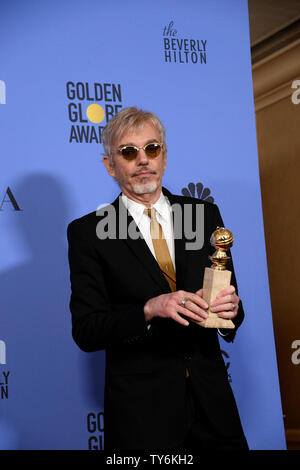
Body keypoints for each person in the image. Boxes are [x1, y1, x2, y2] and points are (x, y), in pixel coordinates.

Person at [67, 106, 248, 450]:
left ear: (164, 156)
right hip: (141, 414)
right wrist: (149, 309)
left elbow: (232, 315)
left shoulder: (203, 214)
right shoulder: (87, 233)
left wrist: (230, 311)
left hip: (214, 405)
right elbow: (87, 330)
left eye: (152, 148)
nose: (143, 160)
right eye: (128, 152)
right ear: (110, 166)